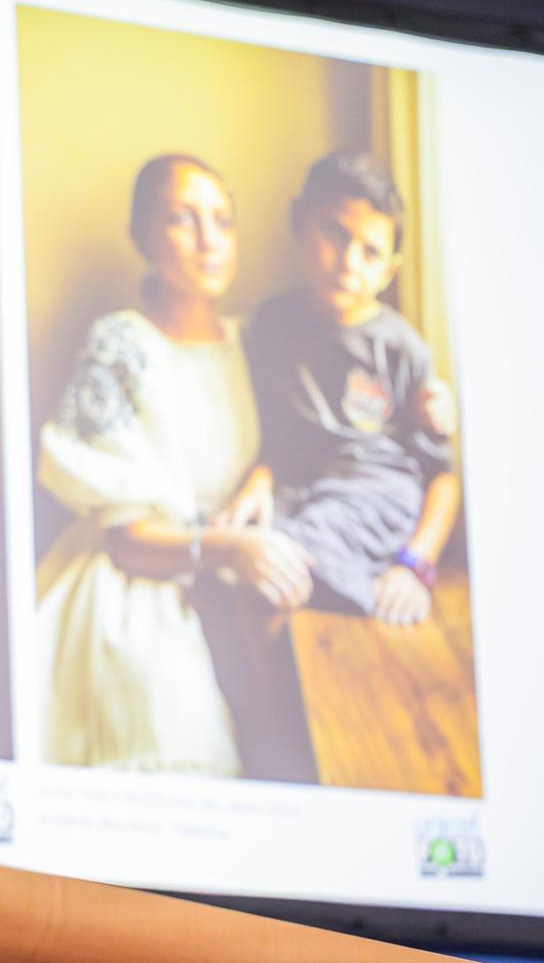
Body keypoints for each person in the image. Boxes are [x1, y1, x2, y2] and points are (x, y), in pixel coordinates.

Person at [36, 154, 317, 774]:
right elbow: (126, 539)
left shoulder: (257, 342)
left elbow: (300, 441)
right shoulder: (123, 344)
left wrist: (265, 477)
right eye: (182, 220)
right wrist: (223, 547)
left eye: (222, 221)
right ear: (142, 235)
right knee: (174, 724)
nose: (208, 240)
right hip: (137, 580)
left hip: (244, 581)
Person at [243, 152, 461, 626]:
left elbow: (442, 478)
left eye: (370, 252)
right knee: (238, 552)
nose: (347, 263)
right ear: (299, 222)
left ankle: (362, 588)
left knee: (286, 560)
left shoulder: (401, 348)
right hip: (302, 490)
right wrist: (258, 483)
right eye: (334, 234)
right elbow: (272, 439)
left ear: (389, 272)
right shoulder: (272, 324)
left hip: (374, 489)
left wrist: (416, 564)